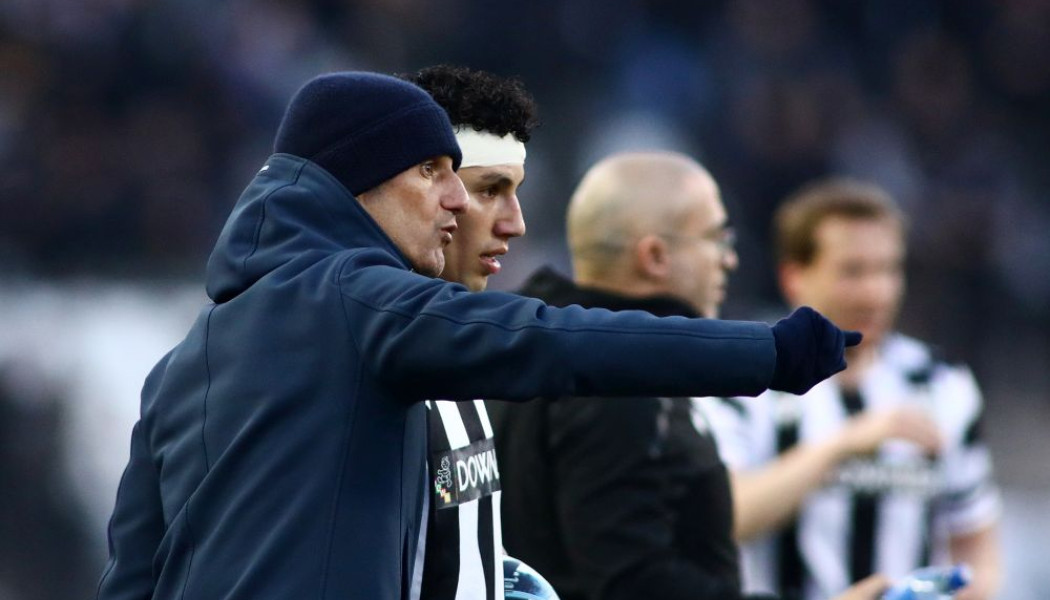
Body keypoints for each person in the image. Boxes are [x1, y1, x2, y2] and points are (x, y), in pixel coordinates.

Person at [96, 72, 858, 600]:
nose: (457, 200)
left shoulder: (181, 365)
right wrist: (770, 351)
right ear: (361, 179)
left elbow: (131, 577)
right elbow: (552, 339)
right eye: (433, 171)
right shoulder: (364, 305)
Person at [490, 152, 887, 600]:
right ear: (655, 256)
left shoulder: (527, 345)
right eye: (717, 238)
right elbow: (631, 583)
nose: (729, 260)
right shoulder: (622, 380)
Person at [700, 178, 1002, 600]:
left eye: (888, 269)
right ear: (794, 277)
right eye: (853, 271)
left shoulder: (943, 384)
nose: (875, 292)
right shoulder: (743, 381)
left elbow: (975, 545)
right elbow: (725, 518)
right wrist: (843, 446)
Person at [400, 64, 535, 600]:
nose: (515, 223)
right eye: (490, 190)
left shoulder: (456, 352)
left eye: (515, 191)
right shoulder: (363, 361)